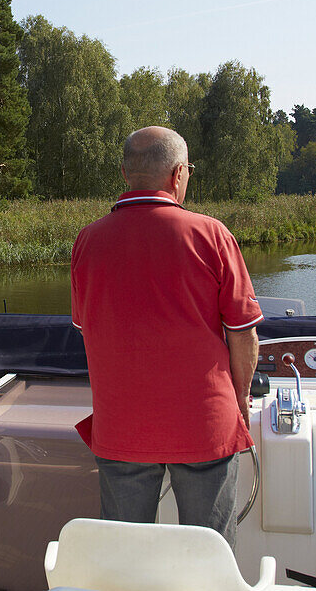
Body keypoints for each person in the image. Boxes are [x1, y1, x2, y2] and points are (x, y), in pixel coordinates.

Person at [70, 126, 262, 548]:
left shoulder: (87, 241)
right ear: (178, 175)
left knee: (127, 556)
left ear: (125, 173)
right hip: (204, 425)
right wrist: (242, 397)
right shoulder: (212, 235)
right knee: (208, 555)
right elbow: (243, 335)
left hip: (121, 427)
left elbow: (88, 328)